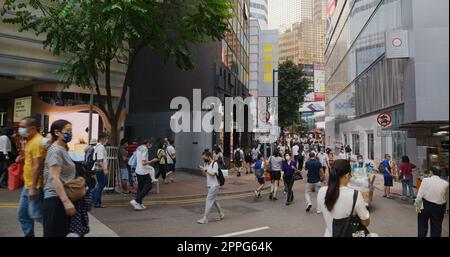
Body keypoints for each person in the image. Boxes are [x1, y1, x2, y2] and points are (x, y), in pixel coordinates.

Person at [317, 159, 370, 237]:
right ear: (347, 175)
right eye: (350, 174)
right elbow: (366, 222)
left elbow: (324, 212)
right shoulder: (355, 194)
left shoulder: (321, 191)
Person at [42, 119, 77, 237]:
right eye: (67, 131)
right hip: (55, 199)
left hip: (60, 199)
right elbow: (54, 178)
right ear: (57, 133)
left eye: (71, 131)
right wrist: (66, 202)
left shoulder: (63, 149)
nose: (70, 134)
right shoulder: (56, 150)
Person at [16, 117, 46, 237]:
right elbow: (32, 160)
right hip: (28, 184)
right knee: (23, 215)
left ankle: (56, 230)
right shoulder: (29, 140)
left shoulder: (38, 142)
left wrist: (33, 187)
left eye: (23, 127)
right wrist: (22, 158)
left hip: (35, 186)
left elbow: (38, 166)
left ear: (33, 128)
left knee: (38, 215)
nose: (20, 129)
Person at [416, 167, 449, 237]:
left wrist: (418, 209)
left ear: (431, 172)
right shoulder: (446, 183)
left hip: (425, 205)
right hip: (439, 207)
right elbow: (444, 198)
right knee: (436, 228)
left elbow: (419, 194)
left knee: (422, 226)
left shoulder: (425, 180)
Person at [196, 150, 225, 224]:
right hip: (209, 185)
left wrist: (205, 170)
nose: (204, 159)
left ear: (209, 157)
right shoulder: (206, 164)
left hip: (214, 185)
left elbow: (213, 174)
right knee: (214, 200)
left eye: (204, 158)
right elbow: (206, 174)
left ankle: (205, 218)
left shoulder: (214, 163)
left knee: (208, 200)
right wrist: (202, 169)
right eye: (203, 158)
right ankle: (221, 214)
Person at [129, 140, 159, 210]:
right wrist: (152, 161)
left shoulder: (139, 148)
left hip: (138, 170)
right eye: (151, 144)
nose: (151, 146)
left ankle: (139, 203)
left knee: (141, 188)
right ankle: (136, 200)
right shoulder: (145, 150)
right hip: (143, 171)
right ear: (148, 143)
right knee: (149, 186)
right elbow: (144, 163)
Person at [91, 133, 109, 208]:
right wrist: (105, 169)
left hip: (98, 168)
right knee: (101, 184)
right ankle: (97, 202)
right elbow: (100, 160)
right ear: (103, 139)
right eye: (107, 138)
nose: (107, 140)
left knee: (101, 184)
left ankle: (92, 198)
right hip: (100, 168)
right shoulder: (101, 147)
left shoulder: (97, 147)